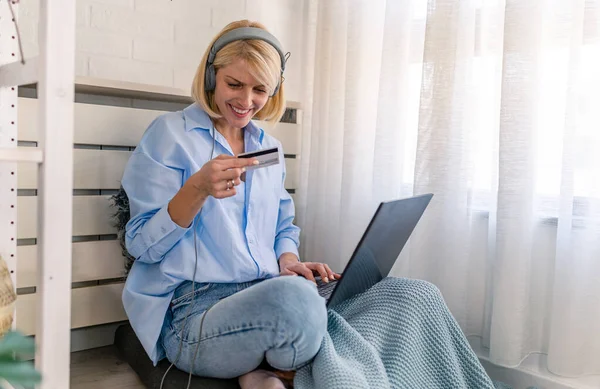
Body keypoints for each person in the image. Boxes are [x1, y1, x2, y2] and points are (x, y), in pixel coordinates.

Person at [121, 20, 339, 389]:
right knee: (296, 301)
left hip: (266, 293)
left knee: (404, 292)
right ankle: (277, 362)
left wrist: (289, 262)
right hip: (193, 312)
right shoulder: (170, 135)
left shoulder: (269, 149)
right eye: (234, 84)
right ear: (210, 77)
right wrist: (197, 188)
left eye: (260, 90)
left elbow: (283, 224)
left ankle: (261, 366)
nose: (245, 100)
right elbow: (140, 245)